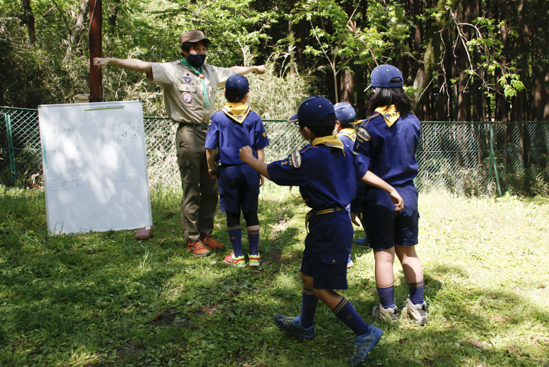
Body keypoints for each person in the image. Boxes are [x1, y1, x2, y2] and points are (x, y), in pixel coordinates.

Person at [239, 96, 404, 366]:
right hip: (326, 224)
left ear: (306, 130)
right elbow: (364, 172)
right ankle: (305, 325)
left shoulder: (311, 156)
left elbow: (273, 172)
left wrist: (249, 159)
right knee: (308, 275)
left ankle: (365, 332)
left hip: (330, 226)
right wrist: (390, 188)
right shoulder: (344, 149)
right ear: (335, 124)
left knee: (322, 288)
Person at [93, 30, 266, 257]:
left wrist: (253, 68)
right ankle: (193, 239)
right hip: (189, 133)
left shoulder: (210, 71)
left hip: (212, 133)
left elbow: (233, 71)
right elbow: (142, 65)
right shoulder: (172, 70)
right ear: (184, 50)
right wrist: (110, 61)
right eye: (195, 48)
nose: (200, 52)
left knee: (212, 187)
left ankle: (206, 234)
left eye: (203, 48)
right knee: (192, 189)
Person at [352, 64, 428, 325]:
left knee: (383, 255)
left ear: (376, 91)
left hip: (380, 197)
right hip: (408, 193)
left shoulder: (368, 126)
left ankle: (388, 311)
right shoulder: (413, 120)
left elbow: (360, 170)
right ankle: (418, 307)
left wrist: (356, 204)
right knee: (409, 253)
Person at [205, 74, 269, 267]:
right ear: (246, 95)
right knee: (251, 211)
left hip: (229, 172)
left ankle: (238, 256)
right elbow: (260, 147)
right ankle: (255, 255)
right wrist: (259, 169)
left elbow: (209, 148)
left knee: (232, 212)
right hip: (250, 170)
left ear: (224, 92)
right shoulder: (254, 117)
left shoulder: (217, 117)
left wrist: (211, 166)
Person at [333, 102, 359, 268]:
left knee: (342, 221)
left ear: (337, 124)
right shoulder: (356, 135)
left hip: (344, 188)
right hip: (358, 185)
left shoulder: (340, 140)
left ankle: (344, 257)